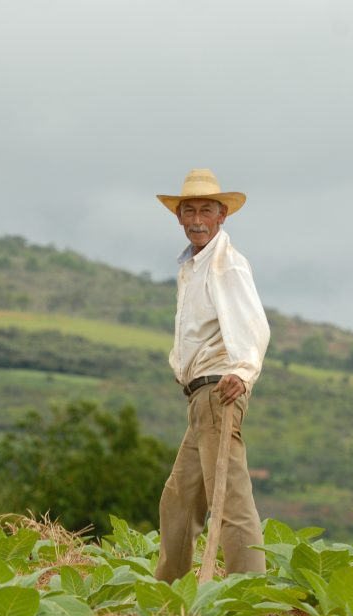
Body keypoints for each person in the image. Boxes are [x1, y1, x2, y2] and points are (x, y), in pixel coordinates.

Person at [153, 168, 271, 582]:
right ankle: (169, 592)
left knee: (232, 500)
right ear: (179, 217)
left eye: (206, 210)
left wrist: (242, 370)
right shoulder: (194, 266)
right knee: (178, 500)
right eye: (190, 210)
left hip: (219, 390)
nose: (197, 219)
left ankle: (250, 595)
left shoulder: (226, 265)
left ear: (223, 216)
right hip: (199, 398)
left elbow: (253, 325)